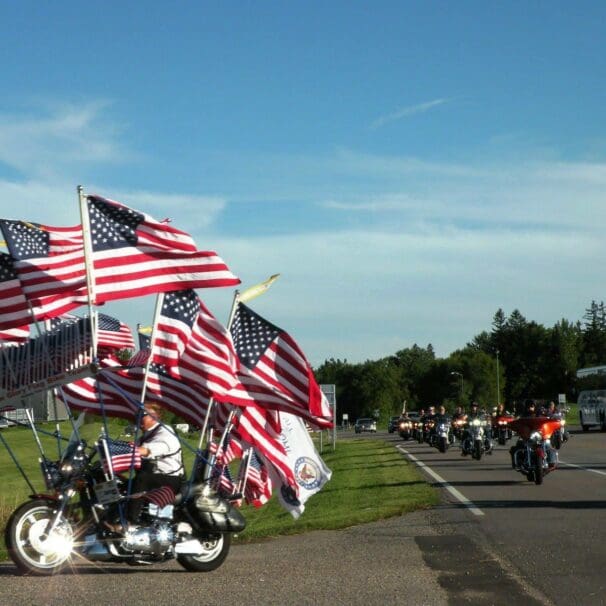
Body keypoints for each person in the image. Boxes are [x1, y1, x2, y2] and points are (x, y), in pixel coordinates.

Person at [126, 401, 185, 525]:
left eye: (141, 415)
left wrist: (136, 451)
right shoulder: (145, 436)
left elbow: (150, 450)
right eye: (136, 415)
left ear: (154, 416)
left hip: (171, 479)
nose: (137, 418)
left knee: (142, 479)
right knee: (121, 485)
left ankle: (130, 522)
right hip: (156, 477)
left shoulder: (165, 432)